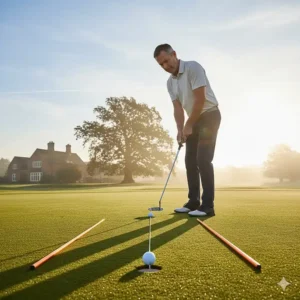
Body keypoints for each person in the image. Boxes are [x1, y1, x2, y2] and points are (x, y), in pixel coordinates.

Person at [154, 44, 221, 216]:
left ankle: (208, 206)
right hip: (194, 119)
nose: (165, 67)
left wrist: (188, 124)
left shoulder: (193, 67)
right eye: (161, 65)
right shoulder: (170, 83)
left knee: (203, 159)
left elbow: (200, 99)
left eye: (167, 61)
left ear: (174, 54)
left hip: (209, 116)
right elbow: (177, 108)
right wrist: (180, 129)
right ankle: (193, 202)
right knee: (190, 161)